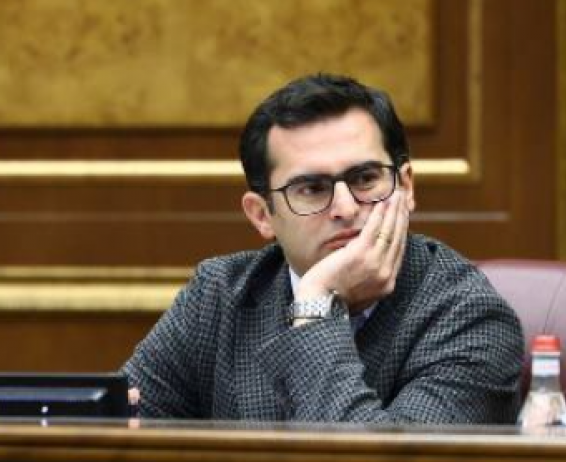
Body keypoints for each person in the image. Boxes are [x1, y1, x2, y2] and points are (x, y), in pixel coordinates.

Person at [121, 73, 524, 423]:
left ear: (406, 186)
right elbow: (117, 428)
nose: (345, 208)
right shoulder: (220, 295)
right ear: (262, 215)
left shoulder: (470, 318)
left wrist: (315, 306)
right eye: (312, 188)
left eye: (365, 179)